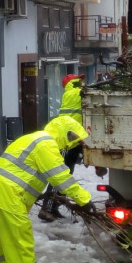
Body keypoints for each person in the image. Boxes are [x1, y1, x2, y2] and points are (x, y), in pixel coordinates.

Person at [0, 115, 95, 263]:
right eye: (72, 138)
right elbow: (60, 178)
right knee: (20, 240)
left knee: (5, 239)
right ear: (65, 133)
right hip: (9, 194)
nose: (72, 143)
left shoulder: (33, 138)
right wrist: (84, 200)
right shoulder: (46, 145)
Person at [38, 73, 85, 221]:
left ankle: (53, 207)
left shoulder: (68, 94)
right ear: (75, 82)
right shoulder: (77, 93)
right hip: (68, 140)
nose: (83, 82)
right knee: (61, 175)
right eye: (80, 80)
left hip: (71, 139)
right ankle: (47, 208)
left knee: (65, 173)